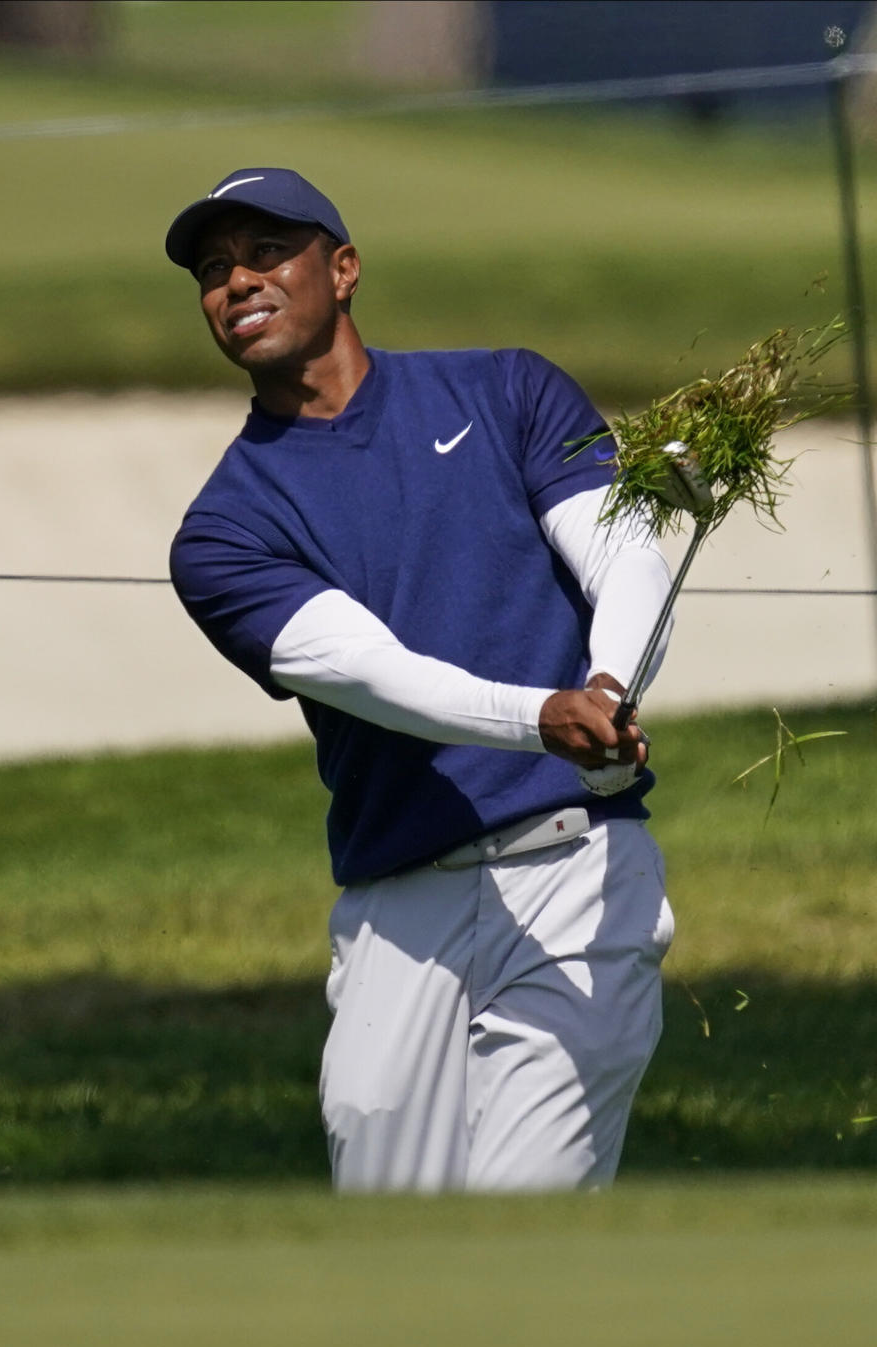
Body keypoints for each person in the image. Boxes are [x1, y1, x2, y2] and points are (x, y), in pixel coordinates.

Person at [165, 167, 675, 1192]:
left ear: (342, 268)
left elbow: (628, 559)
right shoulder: (221, 534)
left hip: (576, 881)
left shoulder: (507, 389)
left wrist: (609, 682)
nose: (237, 282)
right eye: (214, 271)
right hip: (400, 909)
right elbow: (376, 676)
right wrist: (544, 717)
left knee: (525, 1226)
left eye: (267, 252)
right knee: (388, 1238)